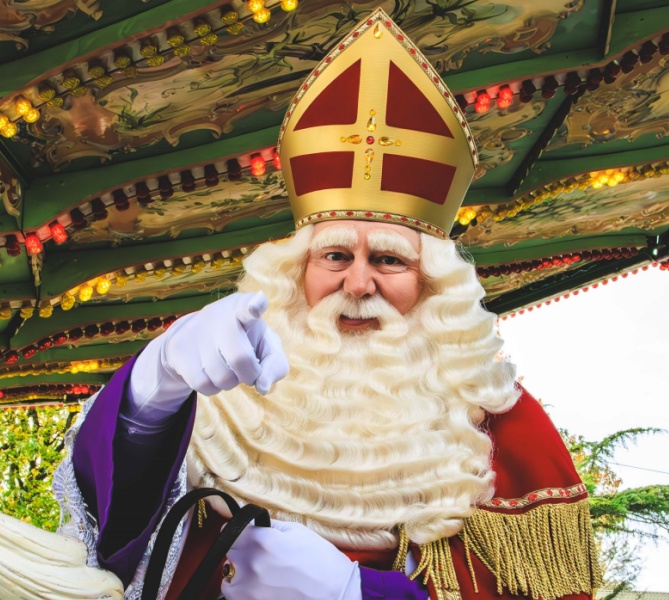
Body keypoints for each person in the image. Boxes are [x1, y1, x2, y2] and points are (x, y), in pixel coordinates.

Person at [53, 8, 601, 600]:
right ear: (297, 272)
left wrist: (359, 592)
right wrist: (151, 392)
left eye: (388, 260)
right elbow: (111, 536)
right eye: (335, 256)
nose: (358, 284)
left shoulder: (501, 424)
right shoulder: (216, 395)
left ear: (432, 285)